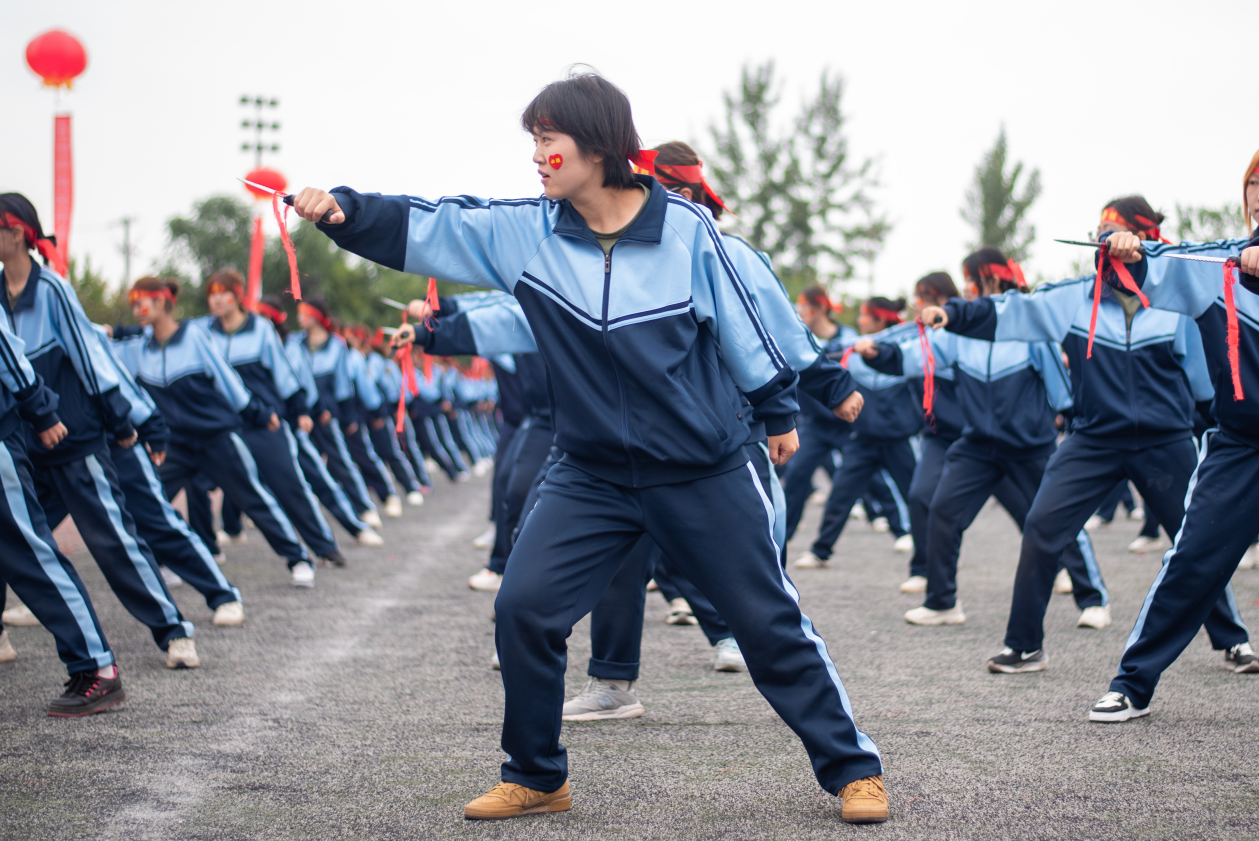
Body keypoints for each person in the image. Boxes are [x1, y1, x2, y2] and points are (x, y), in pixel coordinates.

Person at [293, 72, 889, 824]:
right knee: (523, 608)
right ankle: (537, 775)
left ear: (599, 146)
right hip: (589, 473)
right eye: (533, 140)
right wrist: (346, 212)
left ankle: (853, 769)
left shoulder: (686, 232)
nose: (535, 155)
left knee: (767, 623)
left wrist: (777, 409)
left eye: (547, 139)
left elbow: (745, 324)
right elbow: (440, 224)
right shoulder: (528, 233)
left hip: (699, 469)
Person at [919, 197, 1250, 674]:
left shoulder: (1177, 306)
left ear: (1142, 239)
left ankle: (1233, 640)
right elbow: (1011, 310)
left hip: (1165, 442)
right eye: (1098, 231)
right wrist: (952, 314)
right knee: (1040, 528)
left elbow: (1202, 385)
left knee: (1196, 542)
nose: (1101, 239)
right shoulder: (1073, 298)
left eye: (1112, 230)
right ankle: (1024, 646)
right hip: (1092, 440)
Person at [1081, 154, 1259, 722]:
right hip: (1241, 445)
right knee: (1193, 560)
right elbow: (1147, 268)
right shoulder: (1215, 266)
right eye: (1253, 183)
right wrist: (1119, 245)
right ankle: (1132, 684)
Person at [1, 193, 198, 669]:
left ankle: (174, 631)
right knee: (11, 541)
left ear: (17, 233)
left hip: (72, 436)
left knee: (112, 540)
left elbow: (89, 356)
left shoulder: (52, 289)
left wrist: (118, 418)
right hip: (25, 441)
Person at [859, 247, 1104, 627]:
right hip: (977, 446)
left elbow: (1061, 388)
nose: (966, 288)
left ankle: (1093, 600)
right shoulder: (956, 332)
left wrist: (1074, 424)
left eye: (970, 280)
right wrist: (877, 354)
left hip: (1030, 447)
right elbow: (916, 357)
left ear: (989, 279)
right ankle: (942, 602)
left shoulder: (1029, 327)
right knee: (942, 511)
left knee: (1056, 519)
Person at [118, 276, 316, 588]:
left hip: (216, 439)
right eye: (132, 304)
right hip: (175, 446)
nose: (135, 310)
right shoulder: (139, 348)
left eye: (141, 303)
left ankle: (298, 558)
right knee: (145, 500)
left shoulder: (194, 337)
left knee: (253, 499)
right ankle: (168, 562)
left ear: (161, 302)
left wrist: (258, 412)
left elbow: (227, 379)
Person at [0, 313, 125, 715]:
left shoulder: (50, 289)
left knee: (31, 554)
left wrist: (40, 410)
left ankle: (97, 666)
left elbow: (6, 349)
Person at [93, 324, 245, 627]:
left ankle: (224, 595)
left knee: (160, 519)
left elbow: (118, 381)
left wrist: (151, 426)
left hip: (121, 442)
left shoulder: (191, 335)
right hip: (46, 450)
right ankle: (40, 599)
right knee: (26, 531)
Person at [199, 270, 349, 567]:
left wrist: (300, 409)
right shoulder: (203, 332)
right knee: (196, 484)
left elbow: (283, 373)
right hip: (222, 427)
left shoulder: (260, 329)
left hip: (263, 423)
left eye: (223, 292)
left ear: (238, 296)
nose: (216, 299)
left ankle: (324, 548)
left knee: (289, 485)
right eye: (211, 293)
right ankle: (206, 551)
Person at [793, 297, 920, 569]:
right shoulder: (851, 349)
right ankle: (820, 551)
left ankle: (919, 551)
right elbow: (825, 356)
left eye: (865, 316)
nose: (860, 320)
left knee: (916, 496)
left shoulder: (905, 350)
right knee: (840, 495)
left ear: (880, 320)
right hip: (862, 439)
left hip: (899, 440)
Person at [257, 295, 383, 546]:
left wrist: (337, 412)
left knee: (337, 463)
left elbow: (338, 382)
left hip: (317, 412)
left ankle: (363, 510)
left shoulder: (332, 345)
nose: (301, 317)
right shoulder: (295, 341)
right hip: (276, 417)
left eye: (305, 312)